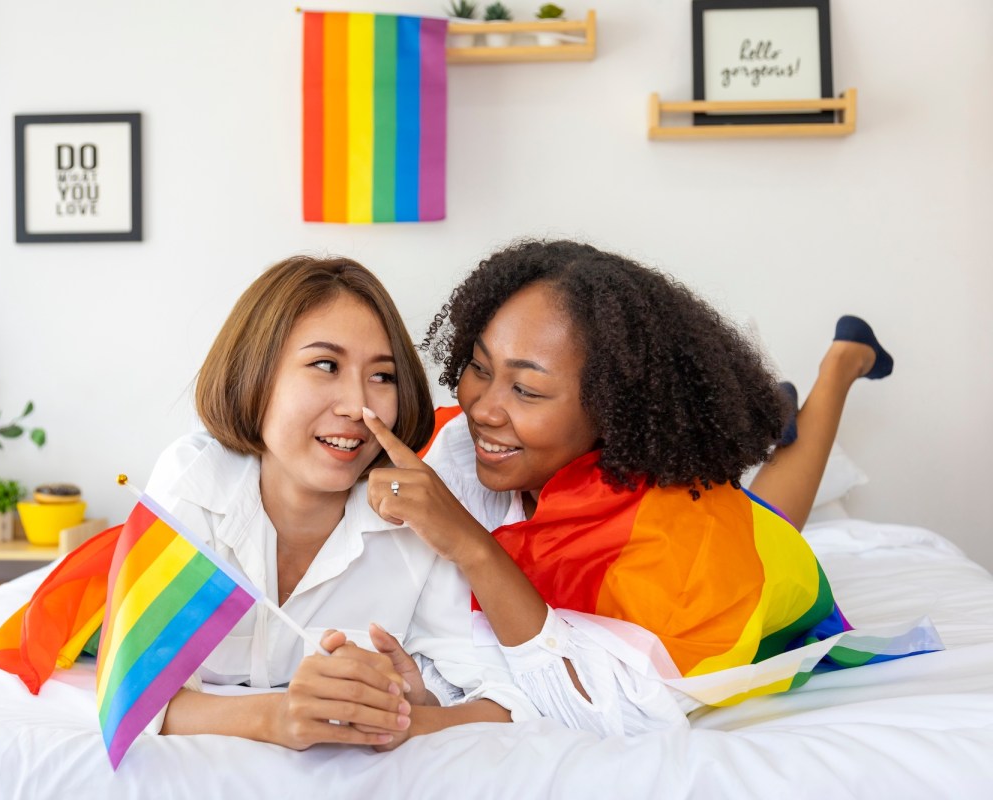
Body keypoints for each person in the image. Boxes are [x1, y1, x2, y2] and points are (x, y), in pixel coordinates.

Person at [359, 239, 927, 735]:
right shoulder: (464, 438)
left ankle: (842, 363)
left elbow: (602, 707)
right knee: (756, 506)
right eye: (480, 368)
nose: (482, 408)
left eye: (527, 390)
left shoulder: (680, 548)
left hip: (740, 565)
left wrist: (471, 546)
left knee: (771, 524)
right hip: (656, 498)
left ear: (611, 407)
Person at [148, 255, 536, 749]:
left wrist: (402, 717)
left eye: (382, 376)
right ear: (256, 374)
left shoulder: (412, 522)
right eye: (325, 365)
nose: (359, 405)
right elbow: (138, 698)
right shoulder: (193, 481)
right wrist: (277, 717)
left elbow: (507, 704)